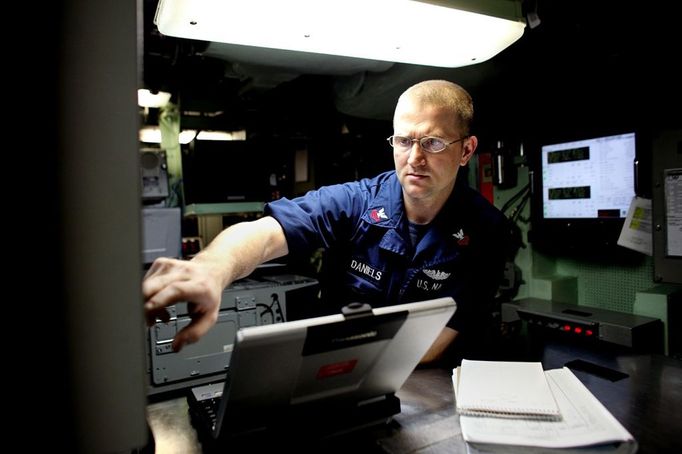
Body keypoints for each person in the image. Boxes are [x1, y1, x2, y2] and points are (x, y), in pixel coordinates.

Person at [143, 79, 509, 366]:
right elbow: (268, 234)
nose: (414, 158)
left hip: (424, 385)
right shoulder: (357, 202)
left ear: (466, 150)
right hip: (335, 372)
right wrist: (212, 268)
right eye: (403, 140)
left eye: (432, 143)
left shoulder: (486, 232)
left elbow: (432, 347)